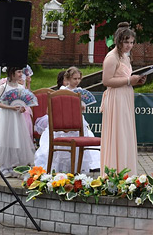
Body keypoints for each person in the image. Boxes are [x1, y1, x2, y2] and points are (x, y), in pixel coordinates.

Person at [100, 22, 146, 175]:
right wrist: (128, 81)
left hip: (126, 96)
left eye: (132, 42)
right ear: (118, 40)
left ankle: (126, 170)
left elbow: (125, 77)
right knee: (118, 133)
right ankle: (114, 170)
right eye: (126, 42)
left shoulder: (125, 57)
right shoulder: (112, 57)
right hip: (116, 98)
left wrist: (136, 81)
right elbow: (106, 81)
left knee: (125, 133)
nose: (129, 45)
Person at [35, 66, 101, 173]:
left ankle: (76, 168)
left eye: (79, 79)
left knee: (83, 137)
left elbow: (80, 110)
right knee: (61, 149)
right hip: (62, 123)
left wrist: (81, 107)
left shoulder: (79, 92)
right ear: (68, 79)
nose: (77, 81)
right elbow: (49, 110)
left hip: (77, 123)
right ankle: (59, 169)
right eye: (74, 79)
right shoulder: (61, 92)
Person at [0, 66, 35, 176]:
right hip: (7, 117)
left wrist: (22, 108)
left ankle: (13, 165)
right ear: (12, 73)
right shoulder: (4, 87)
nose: (21, 74)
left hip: (17, 118)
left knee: (16, 139)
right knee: (6, 139)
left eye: (21, 72)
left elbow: (23, 102)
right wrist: (10, 108)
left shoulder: (21, 87)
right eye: (19, 72)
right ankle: (4, 166)